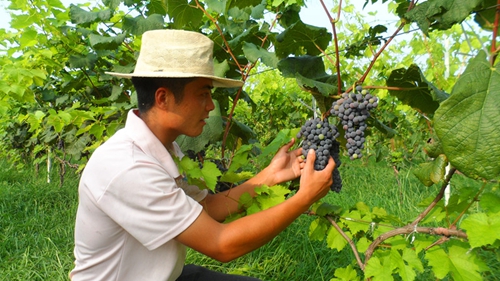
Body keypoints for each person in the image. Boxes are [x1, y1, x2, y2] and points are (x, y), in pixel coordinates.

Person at [70, 29, 335, 281]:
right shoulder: (126, 167)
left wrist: (268, 176)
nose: (210, 106)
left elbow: (205, 208)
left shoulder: (164, 148)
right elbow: (221, 245)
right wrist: (304, 198)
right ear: (163, 98)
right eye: (203, 94)